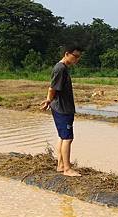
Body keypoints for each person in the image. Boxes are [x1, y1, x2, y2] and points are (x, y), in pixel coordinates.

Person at [41, 45, 83, 177]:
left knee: (62, 137)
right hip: (62, 109)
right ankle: (67, 169)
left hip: (62, 108)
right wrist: (48, 100)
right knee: (68, 138)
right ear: (67, 54)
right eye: (75, 56)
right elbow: (52, 88)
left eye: (78, 57)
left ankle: (60, 165)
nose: (77, 59)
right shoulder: (60, 69)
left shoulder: (63, 68)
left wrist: (49, 101)